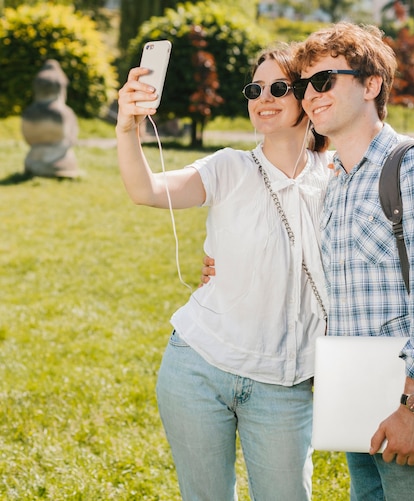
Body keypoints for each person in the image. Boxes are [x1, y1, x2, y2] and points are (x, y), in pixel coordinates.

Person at [116, 44, 332, 501]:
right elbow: (146, 189)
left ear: (307, 96)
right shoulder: (230, 166)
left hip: (285, 384)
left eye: (278, 87)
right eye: (255, 89)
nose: (263, 98)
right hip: (197, 368)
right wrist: (127, 128)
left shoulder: (337, 178)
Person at [292, 23, 414, 500]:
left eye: (324, 80)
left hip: (411, 409)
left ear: (371, 85)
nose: (310, 95)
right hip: (359, 401)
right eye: (303, 85)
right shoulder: (338, 181)